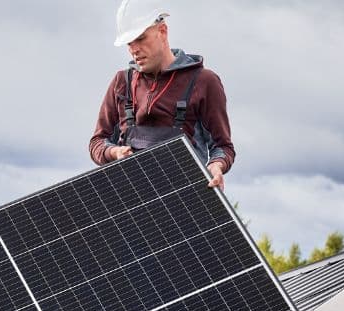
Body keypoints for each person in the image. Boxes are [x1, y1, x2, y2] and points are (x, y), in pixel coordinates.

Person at [89, 1, 235, 190]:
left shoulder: (204, 81)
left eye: (140, 38)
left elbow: (223, 146)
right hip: (130, 200)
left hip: (187, 201)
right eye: (129, 43)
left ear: (162, 31)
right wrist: (114, 152)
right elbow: (97, 142)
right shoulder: (122, 82)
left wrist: (216, 166)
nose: (134, 49)